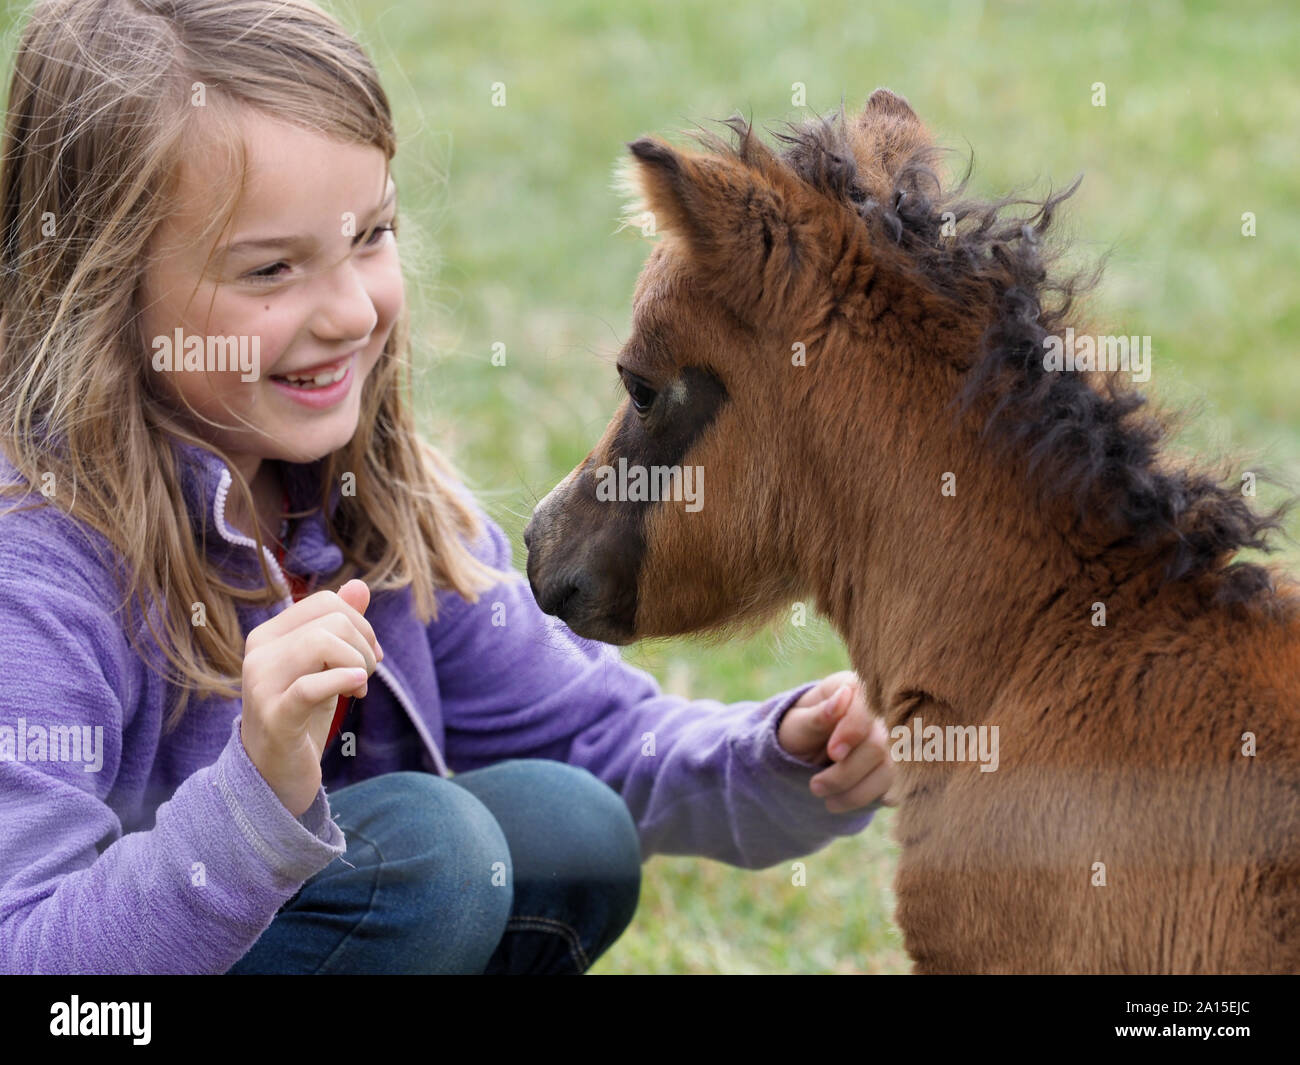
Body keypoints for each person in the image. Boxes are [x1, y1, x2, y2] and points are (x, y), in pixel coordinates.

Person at [0, 0, 894, 975]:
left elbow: (597, 740)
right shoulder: (36, 575)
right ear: (96, 283)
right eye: (270, 269)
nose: (348, 310)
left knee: (567, 828)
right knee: (431, 855)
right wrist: (251, 799)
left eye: (370, 235)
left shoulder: (366, 506)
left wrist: (789, 750)